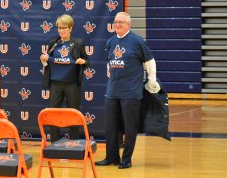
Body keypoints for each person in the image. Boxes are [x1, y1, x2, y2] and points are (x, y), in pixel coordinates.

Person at [95, 12, 160, 169]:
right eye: (116, 21)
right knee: (111, 126)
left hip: (131, 92)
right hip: (112, 92)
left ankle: (126, 159)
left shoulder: (137, 41)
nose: (117, 24)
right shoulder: (111, 42)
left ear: (128, 25)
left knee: (130, 127)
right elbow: (110, 60)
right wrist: (109, 70)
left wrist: (152, 80)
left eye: (121, 22)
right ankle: (111, 157)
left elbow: (150, 61)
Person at [40, 14, 89, 142]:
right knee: (53, 114)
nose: (61, 31)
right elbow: (47, 63)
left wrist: (82, 61)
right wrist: (43, 60)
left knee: (73, 114)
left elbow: (87, 61)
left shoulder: (78, 43)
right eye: (59, 28)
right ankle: (54, 143)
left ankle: (73, 144)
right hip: (55, 84)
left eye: (64, 28)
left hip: (72, 84)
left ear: (71, 28)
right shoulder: (53, 43)